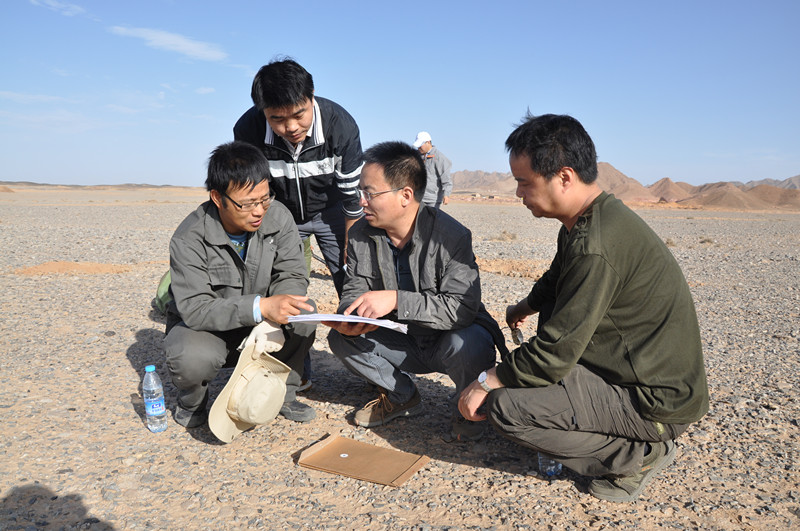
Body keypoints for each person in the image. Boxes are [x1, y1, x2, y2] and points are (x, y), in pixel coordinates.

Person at [458, 114, 709, 502]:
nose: (519, 193)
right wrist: (525, 306)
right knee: (523, 378)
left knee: (507, 406)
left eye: (525, 182)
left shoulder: (596, 244)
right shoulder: (589, 221)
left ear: (564, 177)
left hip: (654, 404)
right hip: (636, 380)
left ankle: (637, 456)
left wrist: (486, 380)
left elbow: (553, 355)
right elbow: (557, 276)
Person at [325, 141, 507, 442]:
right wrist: (350, 316)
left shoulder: (451, 236)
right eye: (360, 192)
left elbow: (461, 308)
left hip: (446, 341)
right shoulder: (359, 234)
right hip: (401, 339)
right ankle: (402, 397)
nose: (361, 201)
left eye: (369, 193)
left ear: (405, 196)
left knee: (471, 341)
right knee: (340, 339)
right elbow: (354, 288)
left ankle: (468, 410)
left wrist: (397, 299)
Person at [164, 141, 318, 429]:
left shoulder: (279, 216)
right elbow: (195, 309)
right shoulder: (189, 238)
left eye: (265, 198)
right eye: (247, 204)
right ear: (217, 197)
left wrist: (273, 318)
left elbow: (293, 274)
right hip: (208, 329)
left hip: (263, 322)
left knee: (304, 313)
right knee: (192, 356)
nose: (259, 211)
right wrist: (260, 308)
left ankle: (283, 393)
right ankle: (192, 402)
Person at [233, 58, 364, 297]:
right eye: (277, 119)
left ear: (311, 96)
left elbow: (352, 195)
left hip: (333, 211)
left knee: (352, 275)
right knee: (277, 281)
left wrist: (352, 240)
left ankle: (354, 320)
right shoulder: (248, 130)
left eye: (299, 114)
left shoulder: (340, 125)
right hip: (281, 212)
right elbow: (251, 190)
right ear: (263, 111)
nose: (292, 127)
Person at [412, 131, 452, 209]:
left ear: (428, 142)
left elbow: (446, 179)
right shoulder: (416, 156)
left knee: (430, 217)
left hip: (432, 200)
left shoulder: (439, 158)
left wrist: (446, 195)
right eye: (418, 146)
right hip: (418, 197)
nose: (418, 148)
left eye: (420, 145)